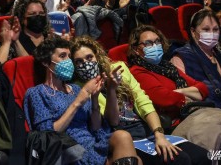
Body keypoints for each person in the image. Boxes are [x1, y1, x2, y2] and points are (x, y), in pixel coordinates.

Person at [71, 36, 210, 165]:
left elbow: (143, 102)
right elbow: (112, 122)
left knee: (203, 156)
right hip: (125, 140)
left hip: (147, 132)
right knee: (180, 160)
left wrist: (159, 135)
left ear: (97, 56)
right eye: (79, 61)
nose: (86, 64)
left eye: (89, 57)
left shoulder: (119, 69)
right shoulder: (79, 88)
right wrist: (112, 90)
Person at [127, 25, 221, 165]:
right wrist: (189, 93)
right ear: (136, 49)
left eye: (157, 41)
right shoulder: (137, 72)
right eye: (149, 43)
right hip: (176, 122)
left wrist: (179, 93)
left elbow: (202, 88)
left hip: (196, 113)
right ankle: (217, 159)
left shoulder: (167, 67)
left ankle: (218, 159)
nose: (155, 46)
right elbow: (165, 99)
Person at [24, 36, 142, 165]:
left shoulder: (75, 88)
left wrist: (95, 98)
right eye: (62, 56)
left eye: (69, 56)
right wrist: (79, 100)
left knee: (122, 136)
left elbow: (96, 127)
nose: (68, 61)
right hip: (69, 149)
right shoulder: (37, 92)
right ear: (46, 62)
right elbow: (48, 134)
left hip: (91, 141)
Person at [171, 9, 221, 111]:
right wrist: (219, 89)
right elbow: (180, 93)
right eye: (206, 30)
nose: (212, 34)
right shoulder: (181, 57)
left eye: (215, 29)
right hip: (204, 113)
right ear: (193, 31)